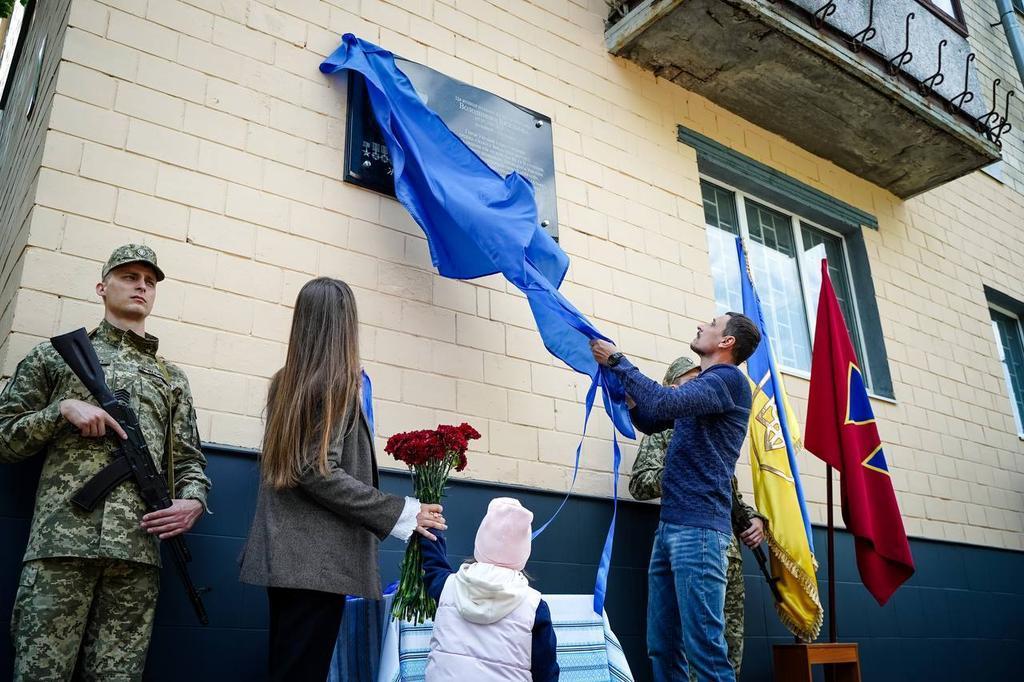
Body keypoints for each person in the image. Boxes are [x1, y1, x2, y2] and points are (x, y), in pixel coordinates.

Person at [0, 244, 211, 681]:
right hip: (61, 546)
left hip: (137, 551)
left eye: (150, 282)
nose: (142, 287)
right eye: (130, 277)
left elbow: (189, 459)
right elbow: (5, 437)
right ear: (102, 286)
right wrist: (60, 411)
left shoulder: (171, 377)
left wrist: (192, 501)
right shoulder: (53, 357)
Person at [239, 277, 446, 682]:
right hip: (315, 566)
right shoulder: (334, 383)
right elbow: (316, 469)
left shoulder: (288, 381)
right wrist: (403, 513)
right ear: (346, 324)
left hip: (284, 560)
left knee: (289, 669)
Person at [591, 312, 761, 682]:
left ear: (727, 342)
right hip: (670, 530)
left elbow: (665, 404)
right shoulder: (705, 390)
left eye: (713, 323)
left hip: (699, 533)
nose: (702, 325)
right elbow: (653, 418)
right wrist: (629, 396)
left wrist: (619, 361)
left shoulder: (727, 380)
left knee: (706, 653)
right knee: (663, 648)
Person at [629, 355, 768, 680]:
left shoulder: (713, 424)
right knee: (690, 650)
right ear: (672, 388)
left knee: (728, 652)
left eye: (699, 380)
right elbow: (639, 482)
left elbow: (728, 491)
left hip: (727, 551)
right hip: (690, 549)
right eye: (690, 381)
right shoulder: (664, 430)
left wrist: (754, 519)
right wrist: (681, 473)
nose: (698, 386)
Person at [419, 497, 559, 682]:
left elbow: (433, 565)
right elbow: (546, 672)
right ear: (523, 551)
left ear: (480, 542)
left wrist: (432, 526)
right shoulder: (534, 606)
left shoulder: (447, 586)